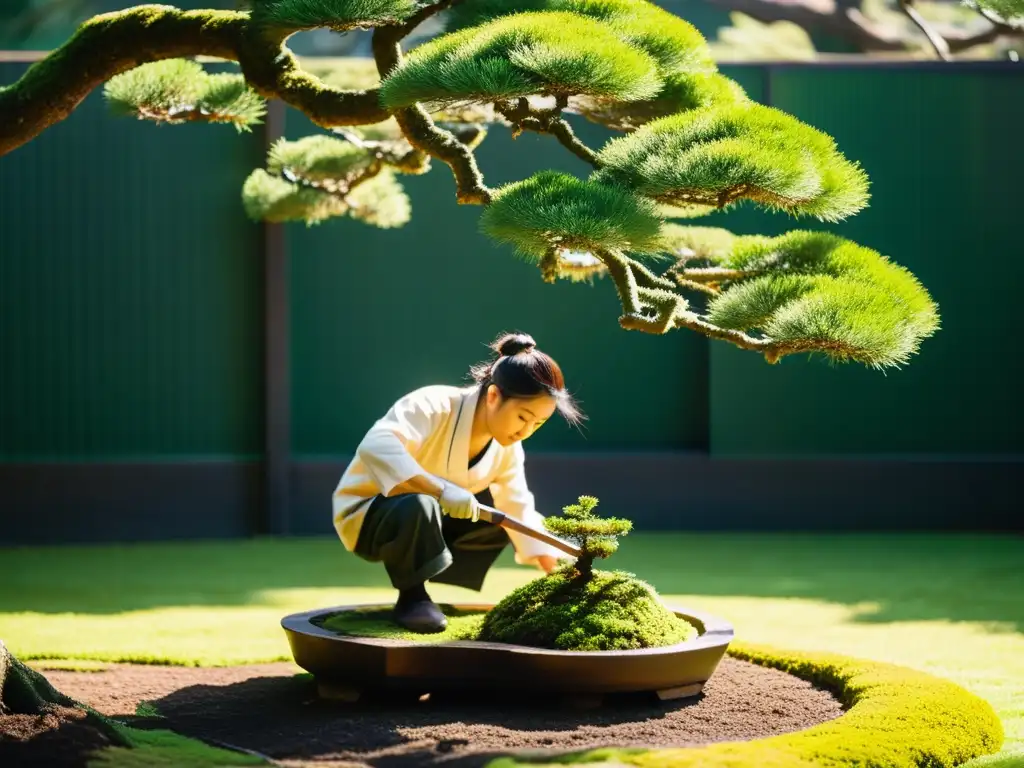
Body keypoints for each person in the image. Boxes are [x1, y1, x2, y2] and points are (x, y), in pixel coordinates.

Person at [331, 332, 584, 633]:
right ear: (493, 396)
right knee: (420, 502)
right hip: (369, 516)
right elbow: (377, 446)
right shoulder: (433, 404)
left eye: (537, 424)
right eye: (522, 417)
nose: (526, 431)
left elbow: (517, 506)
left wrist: (556, 568)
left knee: (502, 517)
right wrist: (440, 490)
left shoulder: (508, 449)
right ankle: (413, 598)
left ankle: (431, 567)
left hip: (433, 521)